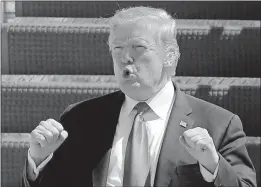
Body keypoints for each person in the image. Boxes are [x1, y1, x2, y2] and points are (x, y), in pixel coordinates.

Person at [22, 6, 256, 187]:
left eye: (138, 47)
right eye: (117, 48)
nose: (125, 58)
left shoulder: (219, 125)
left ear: (170, 55)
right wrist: (39, 159)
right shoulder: (80, 118)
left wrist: (213, 166)